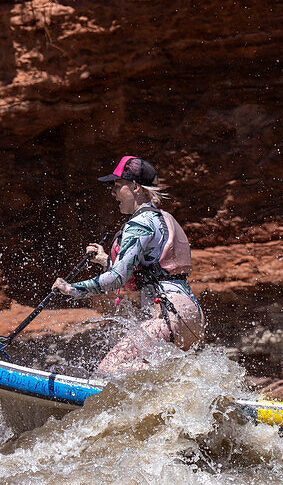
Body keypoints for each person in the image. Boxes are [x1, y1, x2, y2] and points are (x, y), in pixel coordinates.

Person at [52, 156, 205, 374]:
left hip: (168, 316)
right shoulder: (165, 218)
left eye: (116, 186)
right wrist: (106, 260)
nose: (113, 193)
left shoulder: (139, 223)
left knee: (106, 372)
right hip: (192, 315)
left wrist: (72, 289)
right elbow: (151, 272)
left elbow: (117, 278)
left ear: (135, 187)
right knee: (154, 376)